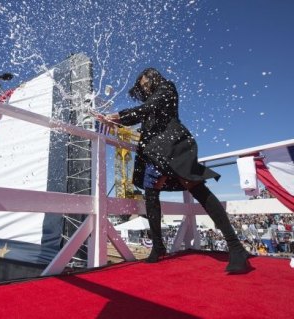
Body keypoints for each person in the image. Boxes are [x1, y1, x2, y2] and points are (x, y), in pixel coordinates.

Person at [97, 68, 252, 273]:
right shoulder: (150, 99)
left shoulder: (166, 88)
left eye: (145, 84)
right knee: (151, 194)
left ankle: (235, 247)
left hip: (173, 147)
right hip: (153, 152)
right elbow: (143, 114)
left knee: (195, 186)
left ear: (154, 78)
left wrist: (117, 116)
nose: (144, 88)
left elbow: (147, 108)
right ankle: (158, 246)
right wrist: (114, 122)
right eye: (141, 86)